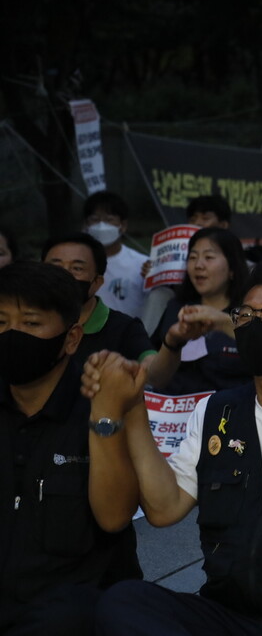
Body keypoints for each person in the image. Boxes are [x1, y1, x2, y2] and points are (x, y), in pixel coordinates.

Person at [90, 258, 262, 634]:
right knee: (122, 601)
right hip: (224, 613)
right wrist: (134, 406)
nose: (256, 325)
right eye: (245, 315)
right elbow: (163, 509)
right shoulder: (214, 410)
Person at [0, 261, 141, 634]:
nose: (13, 334)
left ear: (71, 338)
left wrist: (105, 416)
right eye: (0, 322)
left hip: (75, 612)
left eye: (31, 323)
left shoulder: (103, 404)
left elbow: (114, 518)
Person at [148, 227, 250, 395]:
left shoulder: (250, 313)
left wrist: (223, 322)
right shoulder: (176, 308)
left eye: (208, 257)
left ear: (232, 269)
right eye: (193, 257)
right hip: (172, 415)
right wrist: (172, 343)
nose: (198, 265)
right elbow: (155, 378)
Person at [42, 232, 156, 366]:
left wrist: (171, 345)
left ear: (97, 282)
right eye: (56, 266)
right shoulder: (23, 319)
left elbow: (154, 371)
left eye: (77, 268)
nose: (64, 275)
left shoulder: (124, 329)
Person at [83, 191, 149, 320]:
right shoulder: (77, 263)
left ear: (123, 225)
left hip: (130, 336)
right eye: (95, 220)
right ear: (86, 225)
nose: (102, 226)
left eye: (109, 220)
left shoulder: (142, 264)